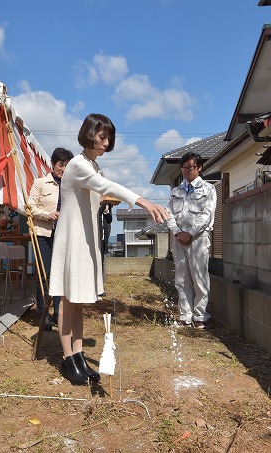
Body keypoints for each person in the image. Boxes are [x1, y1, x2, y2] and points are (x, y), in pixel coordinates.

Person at [49, 113, 169, 385]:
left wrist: (110, 202)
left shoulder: (91, 166)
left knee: (78, 302)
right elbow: (105, 186)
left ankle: (78, 355)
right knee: (67, 302)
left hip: (85, 240)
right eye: (103, 137)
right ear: (89, 134)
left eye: (109, 139)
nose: (106, 143)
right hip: (72, 240)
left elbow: (100, 191)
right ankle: (67, 358)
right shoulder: (79, 164)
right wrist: (141, 201)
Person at [165, 152, 217, 329]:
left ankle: (200, 316)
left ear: (199, 168)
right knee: (181, 278)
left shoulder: (209, 189)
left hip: (199, 238)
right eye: (184, 167)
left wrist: (191, 233)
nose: (187, 170)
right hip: (179, 239)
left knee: (199, 277)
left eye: (191, 167)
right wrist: (178, 232)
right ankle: (185, 315)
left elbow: (207, 214)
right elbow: (169, 214)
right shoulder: (176, 191)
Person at [28, 147, 74, 330]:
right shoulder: (41, 183)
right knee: (44, 275)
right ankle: (43, 315)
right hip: (43, 234)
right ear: (53, 164)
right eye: (60, 165)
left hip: (63, 235)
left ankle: (58, 313)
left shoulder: (71, 186)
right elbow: (28, 208)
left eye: (66, 166)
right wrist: (48, 215)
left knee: (60, 275)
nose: (63, 169)